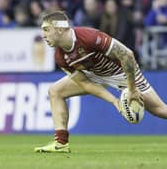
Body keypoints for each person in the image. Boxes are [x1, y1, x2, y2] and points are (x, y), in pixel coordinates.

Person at [34, 11, 167, 153]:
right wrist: (115, 102)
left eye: (46, 30)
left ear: (60, 29)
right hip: (94, 74)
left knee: (159, 110)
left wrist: (132, 89)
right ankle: (61, 143)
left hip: (121, 72)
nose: (43, 35)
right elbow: (85, 83)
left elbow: (126, 55)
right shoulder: (60, 57)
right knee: (55, 91)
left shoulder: (89, 37)